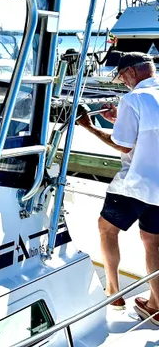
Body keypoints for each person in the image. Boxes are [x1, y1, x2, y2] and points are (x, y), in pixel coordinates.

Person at [79, 52, 159, 322]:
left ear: (132, 72)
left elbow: (124, 145)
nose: (122, 82)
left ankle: (113, 292)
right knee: (152, 243)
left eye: (121, 76)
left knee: (106, 228)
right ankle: (156, 306)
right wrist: (119, 121)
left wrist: (89, 127)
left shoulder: (133, 98)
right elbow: (148, 132)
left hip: (136, 184)